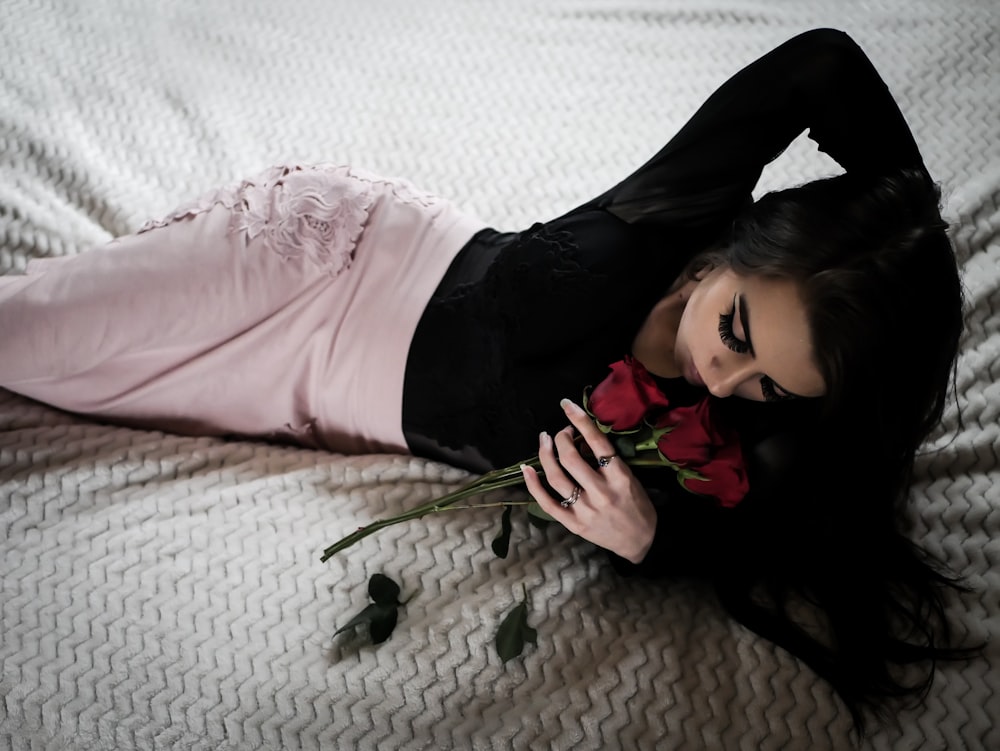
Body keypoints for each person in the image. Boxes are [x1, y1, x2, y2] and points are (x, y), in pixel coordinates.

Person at [0, 28, 974, 728]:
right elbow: (822, 66)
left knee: (57, 370)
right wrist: (908, 239)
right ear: (735, 246)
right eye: (733, 327)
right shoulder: (667, 217)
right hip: (313, 260)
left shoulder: (728, 443)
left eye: (765, 383)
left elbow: (774, 524)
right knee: (19, 334)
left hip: (299, 398)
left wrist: (652, 539)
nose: (722, 373)